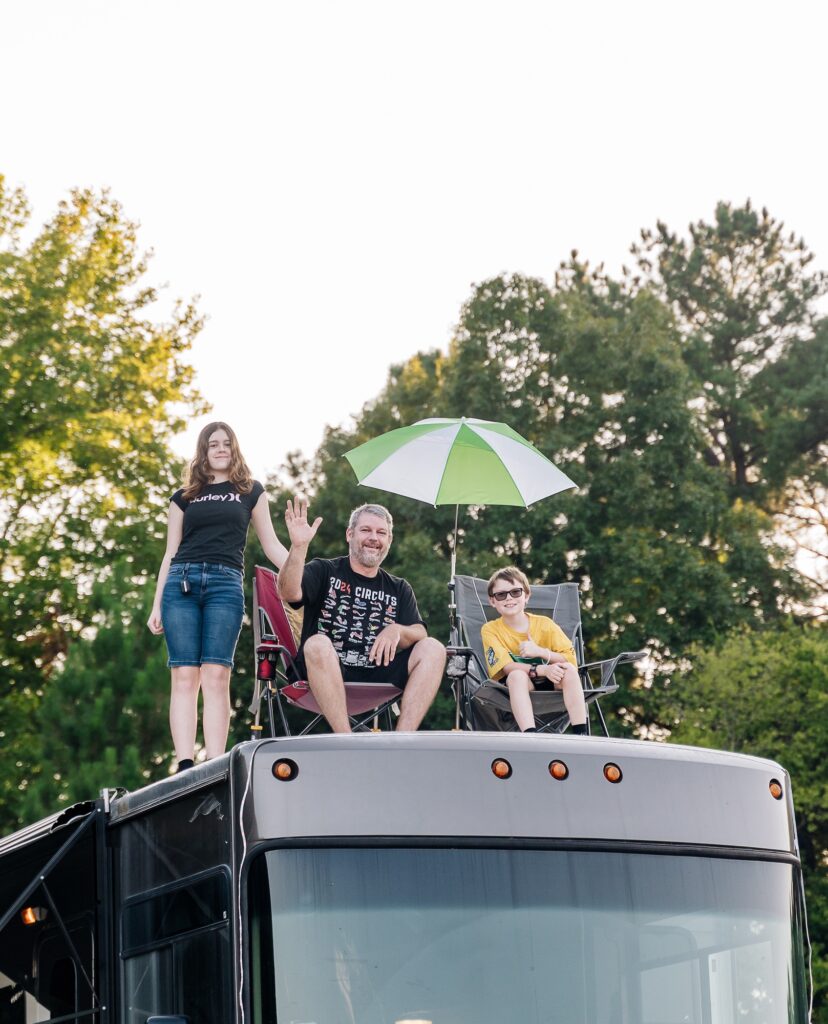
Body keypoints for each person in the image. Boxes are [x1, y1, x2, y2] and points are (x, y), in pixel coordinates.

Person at [147, 421, 288, 770]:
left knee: (216, 673)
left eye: (227, 443)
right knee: (183, 675)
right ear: (204, 452)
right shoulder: (184, 497)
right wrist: (156, 604)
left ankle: (213, 762)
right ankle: (183, 763)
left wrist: (303, 570)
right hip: (182, 583)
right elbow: (170, 552)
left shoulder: (250, 491)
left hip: (225, 585)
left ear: (235, 448)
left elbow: (270, 544)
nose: (221, 448)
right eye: (213, 444)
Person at [278, 499, 445, 732]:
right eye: (366, 530)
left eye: (381, 533)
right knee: (316, 643)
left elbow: (419, 632)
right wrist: (298, 547)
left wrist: (397, 629)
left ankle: (402, 739)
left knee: (434, 648)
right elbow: (287, 592)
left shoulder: (398, 587)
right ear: (349, 534)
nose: (374, 538)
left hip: (376, 673)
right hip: (324, 671)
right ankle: (346, 740)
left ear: (389, 540)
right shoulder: (325, 570)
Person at [481, 566, 588, 734]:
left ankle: (581, 731)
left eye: (515, 592)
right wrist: (542, 669)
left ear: (527, 596)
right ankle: (530, 734)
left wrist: (542, 652)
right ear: (492, 601)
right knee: (516, 675)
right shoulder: (490, 629)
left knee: (568, 670)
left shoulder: (545, 624)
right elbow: (506, 667)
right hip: (520, 685)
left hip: (553, 681)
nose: (509, 598)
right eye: (501, 595)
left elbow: (570, 660)